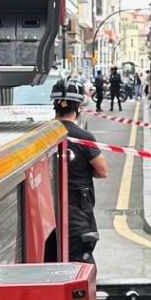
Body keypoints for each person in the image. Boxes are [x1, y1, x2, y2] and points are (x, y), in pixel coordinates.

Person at [51, 78, 107, 263]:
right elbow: (102, 171)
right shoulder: (83, 137)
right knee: (81, 263)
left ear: (55, 106)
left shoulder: (42, 135)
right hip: (77, 212)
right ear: (78, 108)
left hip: (47, 212)